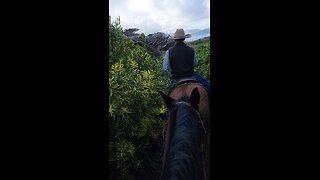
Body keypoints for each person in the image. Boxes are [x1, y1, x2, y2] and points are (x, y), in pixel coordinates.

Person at [163, 28, 210, 96]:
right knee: (208, 85)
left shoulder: (169, 52)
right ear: (184, 39)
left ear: (175, 39)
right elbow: (195, 63)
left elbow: (165, 69)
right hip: (191, 75)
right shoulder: (191, 50)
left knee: (166, 95)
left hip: (175, 78)